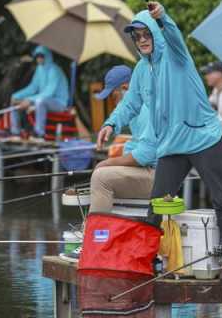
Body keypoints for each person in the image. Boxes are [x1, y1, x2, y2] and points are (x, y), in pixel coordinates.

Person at [97, 2, 222, 283]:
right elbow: (131, 102)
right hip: (172, 145)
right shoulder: (140, 69)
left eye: (146, 34)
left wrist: (163, 17)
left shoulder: (177, 56)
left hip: (203, 138)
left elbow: (173, 35)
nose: (141, 40)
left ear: (155, 33)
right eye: (136, 36)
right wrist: (111, 123)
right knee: (157, 204)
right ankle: (146, 259)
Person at [61, 65, 157, 262]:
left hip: (157, 175)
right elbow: (120, 111)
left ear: (125, 87)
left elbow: (146, 155)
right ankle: (100, 238)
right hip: (143, 170)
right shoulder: (135, 100)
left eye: (113, 95)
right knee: (101, 175)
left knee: (102, 176)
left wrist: (108, 163)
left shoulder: (148, 108)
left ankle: (94, 245)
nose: (114, 100)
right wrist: (109, 125)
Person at [10, 46, 69, 139]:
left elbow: (49, 92)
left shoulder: (54, 70)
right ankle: (15, 132)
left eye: (41, 56)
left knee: (39, 102)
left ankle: (39, 134)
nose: (39, 58)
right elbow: (33, 87)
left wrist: (30, 100)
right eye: (37, 56)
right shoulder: (39, 69)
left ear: (47, 56)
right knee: (16, 103)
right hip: (43, 100)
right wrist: (17, 96)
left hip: (59, 103)